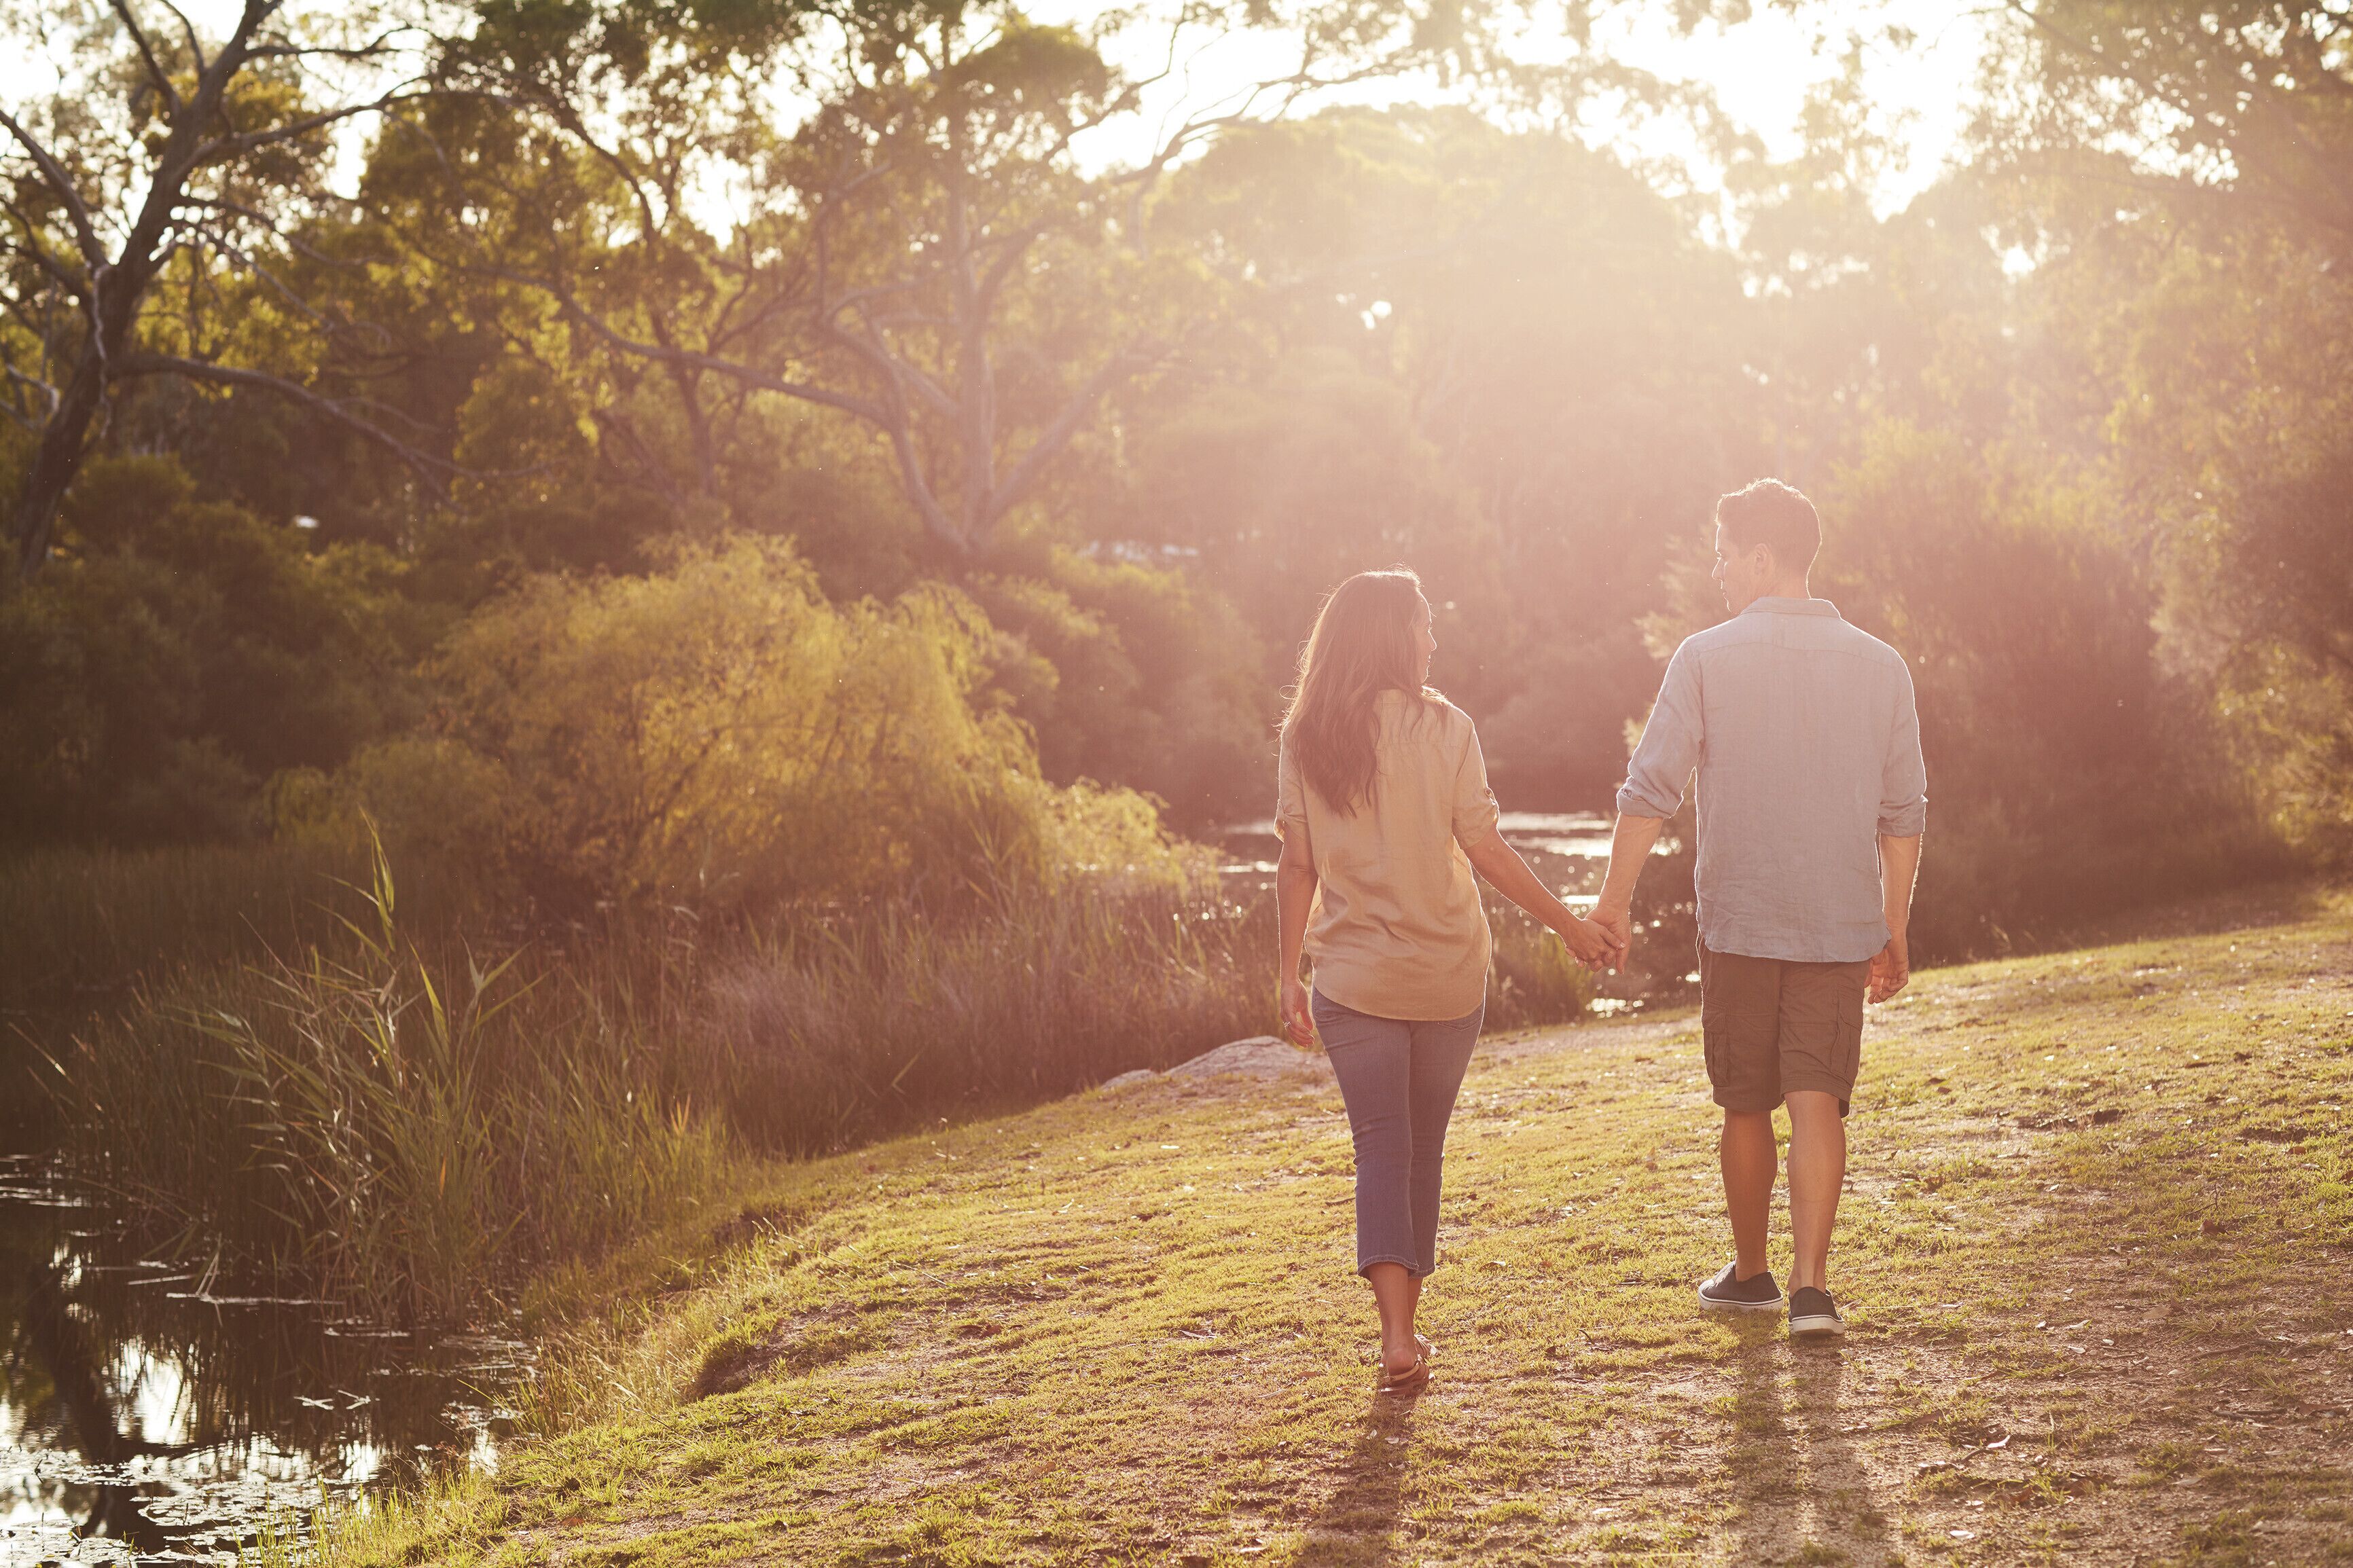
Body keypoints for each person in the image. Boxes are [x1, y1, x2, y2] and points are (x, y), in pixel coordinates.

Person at [1589, 479, 1926, 1339]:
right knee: (1815, 1096)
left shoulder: (1703, 656)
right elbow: (1903, 815)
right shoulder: (1881, 664)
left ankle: (1751, 1275)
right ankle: (1813, 1290)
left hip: (1739, 921)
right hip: (1836, 922)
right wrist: (1893, 927)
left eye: (1723, 551)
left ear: (1761, 557)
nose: (1716, 568)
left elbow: (1648, 789)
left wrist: (1611, 902)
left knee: (1745, 1101)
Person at [1274, 568, 1621, 1396]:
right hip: (1446, 977)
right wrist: (1568, 923)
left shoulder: (1306, 734)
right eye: (1425, 626)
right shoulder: (1447, 727)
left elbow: (1295, 862)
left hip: (1352, 980)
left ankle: (1397, 1333)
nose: (1434, 641)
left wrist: (1285, 973)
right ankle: (1403, 1329)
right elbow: (1487, 849)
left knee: (1381, 1148)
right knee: (1418, 1151)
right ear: (1395, 636)